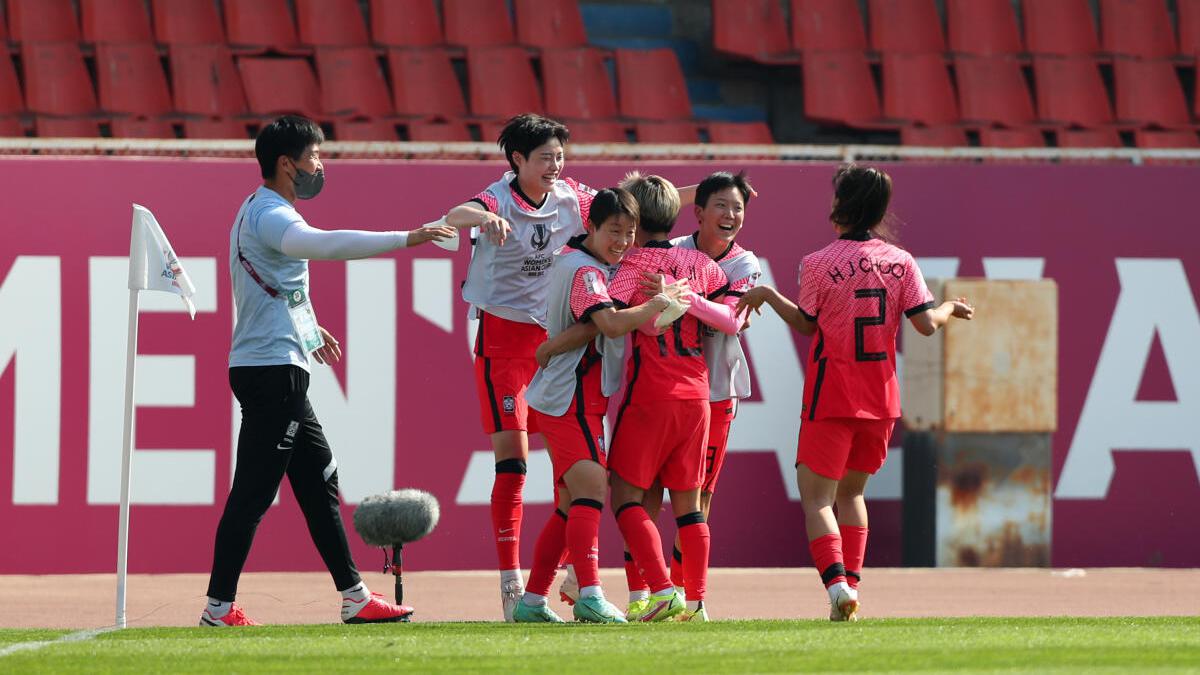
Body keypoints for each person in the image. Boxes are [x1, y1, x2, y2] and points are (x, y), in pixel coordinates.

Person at [200, 115, 455, 627]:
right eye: (315, 156)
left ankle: (355, 597)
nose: (321, 165)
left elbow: (281, 285)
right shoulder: (271, 214)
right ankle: (218, 609)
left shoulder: (261, 210)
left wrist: (312, 332)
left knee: (319, 484)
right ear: (286, 164)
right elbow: (323, 245)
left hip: (278, 366)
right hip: (272, 373)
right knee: (252, 493)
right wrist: (409, 237)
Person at [736, 164, 974, 622]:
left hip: (832, 395)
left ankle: (838, 586)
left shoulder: (819, 262)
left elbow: (808, 324)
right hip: (881, 398)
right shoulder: (900, 261)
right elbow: (926, 325)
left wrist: (766, 294)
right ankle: (853, 588)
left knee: (818, 499)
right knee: (853, 495)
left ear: (840, 206)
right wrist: (949, 307)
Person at [441, 113, 598, 621]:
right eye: (546, 157)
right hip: (504, 343)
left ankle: (569, 577)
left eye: (560, 156)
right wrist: (483, 219)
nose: (556, 165)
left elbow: (633, 205)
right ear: (517, 161)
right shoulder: (497, 197)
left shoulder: (573, 197)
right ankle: (510, 585)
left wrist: (702, 195)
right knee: (514, 464)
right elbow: (456, 212)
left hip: (555, 342)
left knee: (572, 465)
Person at [512, 188, 690, 624]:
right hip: (568, 396)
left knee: (570, 502)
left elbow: (589, 327)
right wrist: (658, 303)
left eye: (630, 233)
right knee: (592, 487)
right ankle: (591, 592)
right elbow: (608, 324)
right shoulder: (586, 271)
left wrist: (552, 345)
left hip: (577, 395)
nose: (623, 240)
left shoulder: (590, 264)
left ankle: (533, 601)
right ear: (591, 227)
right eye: (614, 231)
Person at [603, 173, 744, 623]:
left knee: (626, 495)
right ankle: (695, 601)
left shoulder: (632, 266)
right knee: (689, 503)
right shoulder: (704, 266)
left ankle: (659, 589)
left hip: (651, 391)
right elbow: (731, 319)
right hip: (698, 394)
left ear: (636, 218)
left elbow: (616, 319)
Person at [658, 170, 761, 591]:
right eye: (720, 205)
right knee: (643, 490)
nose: (731, 214)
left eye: (738, 207)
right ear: (697, 212)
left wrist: (682, 297)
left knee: (699, 496)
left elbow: (733, 321)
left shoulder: (743, 263)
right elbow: (635, 195)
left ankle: (683, 587)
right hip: (663, 386)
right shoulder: (669, 249)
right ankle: (644, 588)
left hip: (717, 390)